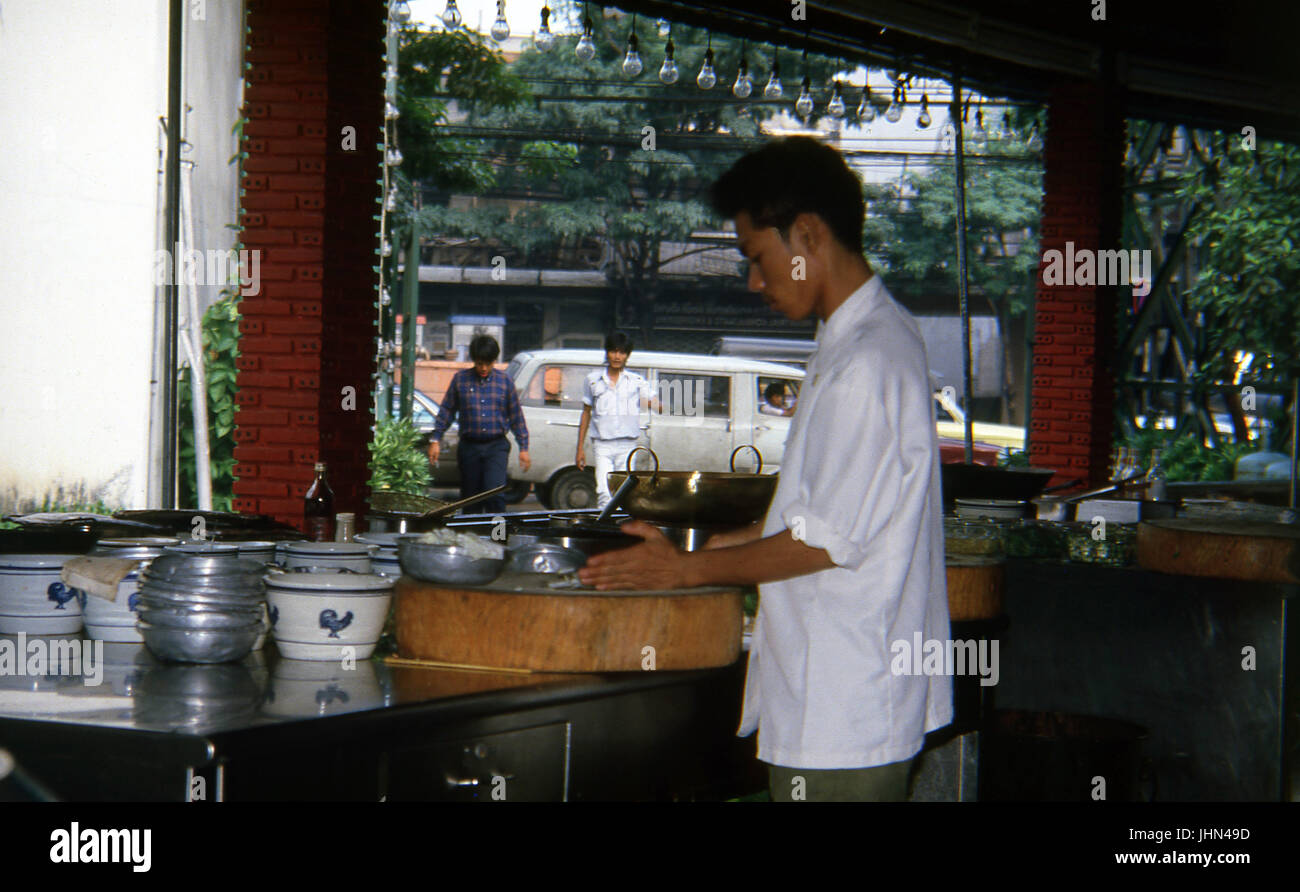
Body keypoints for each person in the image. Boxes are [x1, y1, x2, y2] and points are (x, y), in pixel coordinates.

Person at [578, 137, 952, 802]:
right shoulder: (858, 340)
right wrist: (716, 543)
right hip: (836, 700)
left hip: (843, 713)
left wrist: (684, 569)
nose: (754, 283)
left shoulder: (867, 360)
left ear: (806, 233)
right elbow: (817, 513)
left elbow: (822, 541)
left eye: (758, 257)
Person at [428, 334, 530, 517]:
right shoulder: (460, 380)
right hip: (469, 448)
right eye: (480, 363)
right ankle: (472, 542)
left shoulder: (505, 382)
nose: (483, 368)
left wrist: (524, 447)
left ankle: (498, 539)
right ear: (474, 360)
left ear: (494, 361)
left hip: (496, 447)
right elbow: (447, 411)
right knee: (471, 498)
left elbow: (516, 416)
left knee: (495, 494)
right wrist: (436, 439)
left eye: (488, 363)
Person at [575, 332, 659, 509]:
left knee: (624, 492)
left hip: (627, 445)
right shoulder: (592, 380)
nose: (617, 356)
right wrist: (580, 448)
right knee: (604, 492)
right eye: (613, 351)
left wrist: (658, 403)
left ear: (627, 355)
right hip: (602, 444)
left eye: (622, 352)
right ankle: (604, 530)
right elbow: (586, 413)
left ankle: (621, 530)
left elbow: (654, 402)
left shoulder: (636, 381)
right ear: (607, 353)